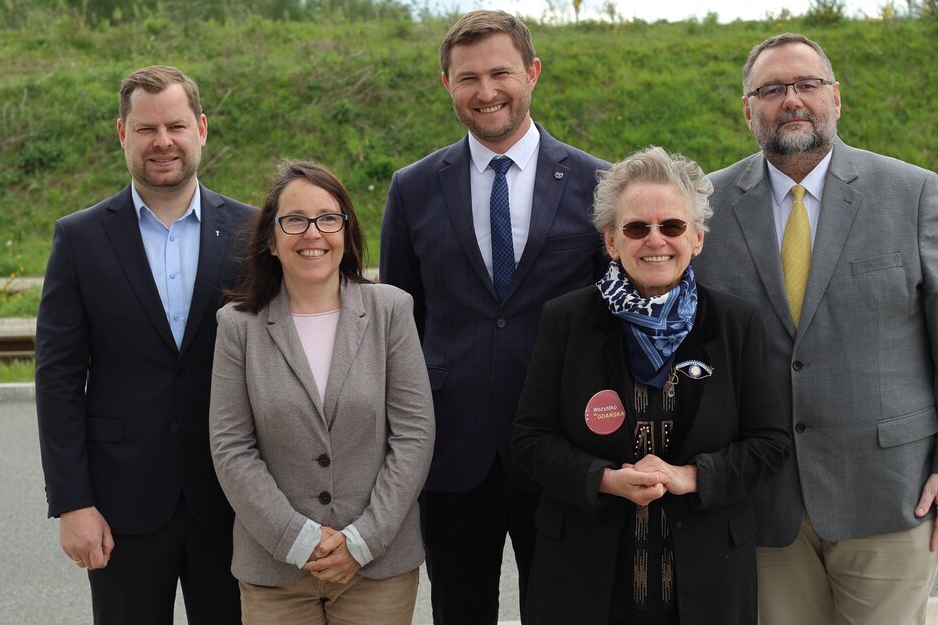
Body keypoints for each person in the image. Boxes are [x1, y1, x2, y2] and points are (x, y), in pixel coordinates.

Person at [691, 33, 938, 625]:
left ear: (836, 98)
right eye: (771, 89)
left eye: (807, 85)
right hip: (763, 501)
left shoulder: (909, 192)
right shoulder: (708, 207)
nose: (792, 99)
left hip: (889, 492)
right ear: (748, 110)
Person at [378, 10, 609, 623]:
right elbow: (400, 325)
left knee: (561, 611)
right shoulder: (413, 188)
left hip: (563, 448)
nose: (486, 92)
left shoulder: (600, 185)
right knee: (458, 611)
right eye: (468, 78)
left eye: (501, 72)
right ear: (447, 85)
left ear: (532, 73)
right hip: (454, 454)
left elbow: (611, 323)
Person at [511, 146, 791, 625]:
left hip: (707, 580)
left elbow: (770, 443)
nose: (655, 240)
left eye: (672, 226)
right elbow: (531, 441)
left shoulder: (736, 323)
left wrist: (692, 476)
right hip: (586, 578)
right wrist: (604, 479)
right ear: (612, 241)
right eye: (637, 228)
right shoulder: (568, 320)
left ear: (698, 238)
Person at [35, 65, 255, 624]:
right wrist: (73, 503)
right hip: (120, 505)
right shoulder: (80, 238)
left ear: (201, 129)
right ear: (122, 133)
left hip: (233, 502)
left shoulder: (254, 233)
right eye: (146, 129)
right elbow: (58, 379)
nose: (163, 142)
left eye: (176, 126)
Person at [208, 160, 435, 624]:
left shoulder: (391, 310)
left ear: (346, 232)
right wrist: (295, 538)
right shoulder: (238, 326)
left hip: (378, 566)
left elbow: (413, 435)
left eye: (328, 218)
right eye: (295, 220)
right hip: (276, 569)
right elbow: (231, 448)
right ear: (271, 239)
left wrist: (364, 539)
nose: (313, 233)